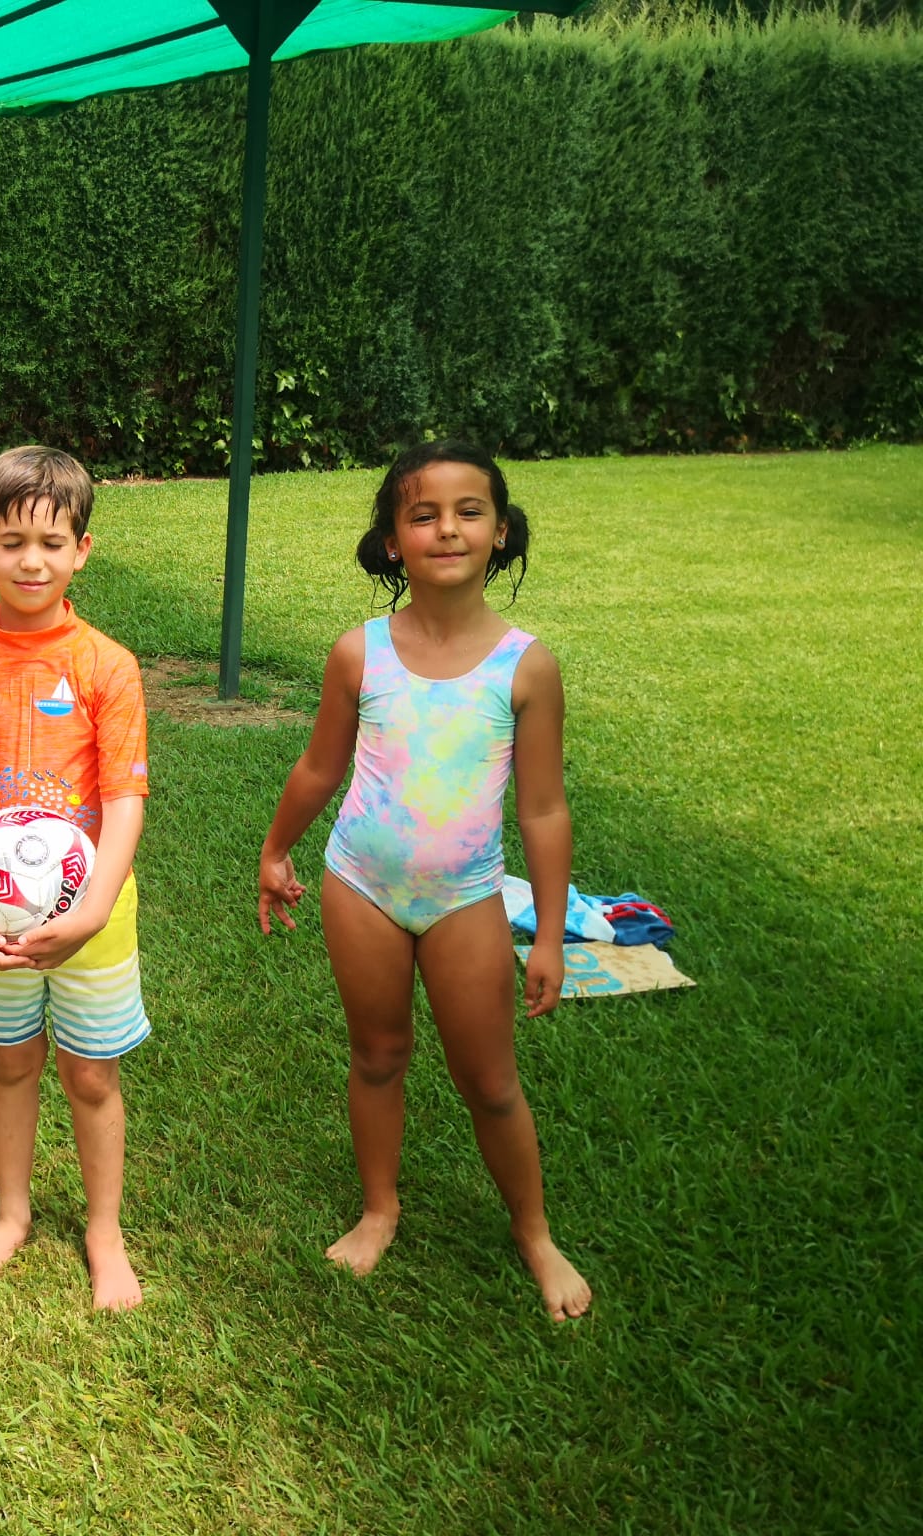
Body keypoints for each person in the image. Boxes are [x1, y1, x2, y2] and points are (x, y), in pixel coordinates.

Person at [256, 440, 592, 1320]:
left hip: (465, 898)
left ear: (501, 531)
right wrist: (276, 850)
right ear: (392, 540)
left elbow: (543, 811)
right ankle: (379, 1210)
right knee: (377, 1057)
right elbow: (320, 768)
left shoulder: (525, 666)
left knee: (490, 1081)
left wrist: (550, 934)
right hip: (360, 884)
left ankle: (535, 1234)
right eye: (423, 514)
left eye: (469, 511)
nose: (447, 528)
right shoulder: (359, 654)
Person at [0, 445, 152, 1311]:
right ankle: (11, 1216)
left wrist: (90, 911)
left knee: (91, 1075)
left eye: (52, 543)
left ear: (82, 551)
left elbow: (124, 802)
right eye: (12, 542)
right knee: (11, 1063)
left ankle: (104, 1232)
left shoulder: (108, 668)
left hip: (94, 918)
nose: (31, 561)